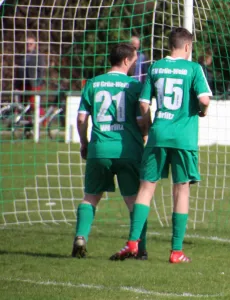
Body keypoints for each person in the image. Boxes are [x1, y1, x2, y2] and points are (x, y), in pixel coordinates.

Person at [111, 27, 212, 263]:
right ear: (187, 47)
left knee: (146, 188)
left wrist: (146, 127)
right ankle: (176, 251)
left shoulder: (156, 67)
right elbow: (204, 100)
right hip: (184, 138)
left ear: (170, 45)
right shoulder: (194, 68)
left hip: (158, 134)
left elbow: (144, 103)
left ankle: (133, 243)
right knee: (181, 189)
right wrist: (202, 112)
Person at [72, 43, 149, 259]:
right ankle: (139, 248)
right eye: (134, 60)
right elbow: (141, 119)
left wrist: (84, 142)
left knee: (91, 197)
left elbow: (80, 119)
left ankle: (81, 236)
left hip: (100, 149)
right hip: (128, 150)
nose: (135, 64)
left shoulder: (93, 84)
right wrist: (146, 133)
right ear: (126, 61)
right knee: (135, 201)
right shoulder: (134, 86)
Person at [14, 35, 46, 114]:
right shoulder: (22, 56)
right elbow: (18, 71)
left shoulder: (38, 56)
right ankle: (27, 123)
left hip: (33, 84)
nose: (28, 45)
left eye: (30, 44)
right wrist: (16, 84)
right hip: (23, 83)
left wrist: (37, 83)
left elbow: (41, 71)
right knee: (22, 104)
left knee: (34, 103)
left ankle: (44, 121)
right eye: (27, 44)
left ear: (34, 45)